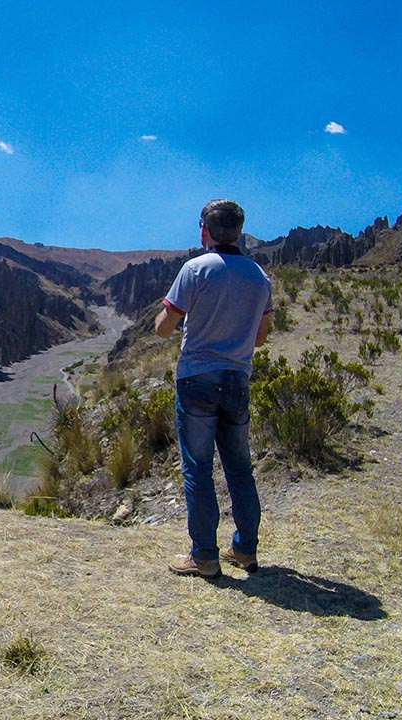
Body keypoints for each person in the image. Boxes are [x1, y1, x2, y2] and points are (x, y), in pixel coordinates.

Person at [154, 199, 272, 579]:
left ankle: (204, 555)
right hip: (237, 379)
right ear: (239, 230)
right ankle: (244, 551)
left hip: (197, 380)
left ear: (205, 228)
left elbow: (163, 328)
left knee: (198, 471)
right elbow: (260, 338)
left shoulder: (195, 269)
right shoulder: (259, 277)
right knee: (240, 468)